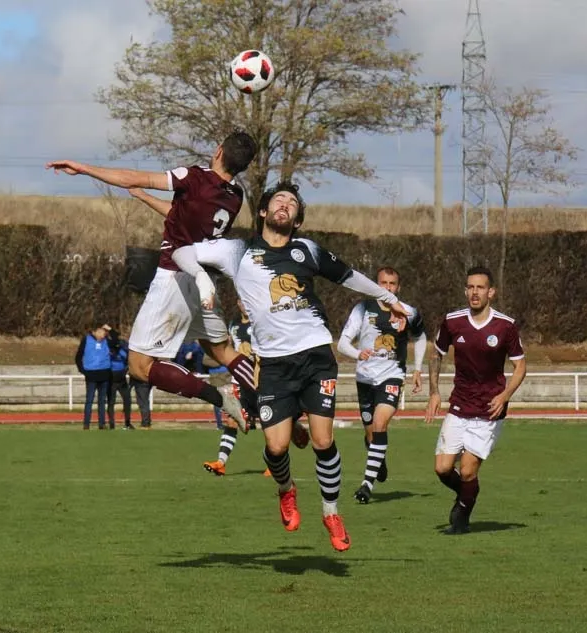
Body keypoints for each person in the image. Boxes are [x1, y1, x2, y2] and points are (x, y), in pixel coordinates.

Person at [178, 180, 410, 552]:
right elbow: (183, 252)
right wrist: (204, 280)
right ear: (264, 211)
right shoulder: (238, 250)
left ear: (297, 220)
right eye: (278, 199)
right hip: (273, 364)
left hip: (316, 355)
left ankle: (331, 512)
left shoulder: (307, 250)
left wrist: (387, 297)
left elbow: (349, 275)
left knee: (323, 440)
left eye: (292, 203)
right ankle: (286, 490)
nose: (285, 204)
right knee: (276, 446)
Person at [46, 130, 259, 432]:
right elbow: (180, 214)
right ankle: (272, 401)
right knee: (222, 350)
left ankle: (221, 398)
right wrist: (146, 198)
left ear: (218, 152)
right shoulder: (235, 196)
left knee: (140, 366)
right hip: (205, 281)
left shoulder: (194, 177)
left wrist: (83, 168)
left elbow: (133, 177)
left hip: (175, 278)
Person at [424, 266, 527, 535]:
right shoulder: (452, 321)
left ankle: (462, 515)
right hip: (459, 405)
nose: (474, 292)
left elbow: (520, 366)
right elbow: (436, 354)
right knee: (442, 468)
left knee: (468, 471)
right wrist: (434, 391)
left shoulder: (505, 326)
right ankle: (467, 493)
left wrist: (505, 395)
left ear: (491, 292)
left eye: (480, 287)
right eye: (470, 287)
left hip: (489, 409)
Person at [337, 267, 427, 504]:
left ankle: (366, 485)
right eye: (383, 283)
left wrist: (418, 369)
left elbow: (420, 337)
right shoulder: (363, 309)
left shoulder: (408, 312)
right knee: (371, 434)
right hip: (365, 379)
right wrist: (357, 354)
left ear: (399, 287)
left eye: (392, 283)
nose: (388, 288)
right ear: (376, 285)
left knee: (379, 424)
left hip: (392, 376)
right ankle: (379, 458)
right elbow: (342, 343)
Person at [202, 299, 309, 477]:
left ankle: (275, 463)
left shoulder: (261, 320)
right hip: (241, 377)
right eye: (241, 302)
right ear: (238, 303)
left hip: (261, 376)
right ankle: (221, 463)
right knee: (232, 420)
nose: (245, 305)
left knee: (270, 421)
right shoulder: (234, 324)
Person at [75, 323, 113, 430]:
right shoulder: (86, 340)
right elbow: (78, 357)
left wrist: (110, 329)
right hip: (91, 375)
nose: (103, 334)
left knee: (102, 401)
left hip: (104, 374)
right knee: (89, 400)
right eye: (101, 331)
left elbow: (116, 340)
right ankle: (86, 424)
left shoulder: (107, 341)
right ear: (94, 332)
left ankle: (102, 424)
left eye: (104, 332)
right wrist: (83, 370)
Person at [107, 328, 134, 430]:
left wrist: (126, 369)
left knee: (127, 400)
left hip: (122, 380)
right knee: (111, 402)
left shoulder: (123, 347)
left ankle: (127, 422)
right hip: (111, 379)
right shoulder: (108, 348)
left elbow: (128, 360)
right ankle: (111, 424)